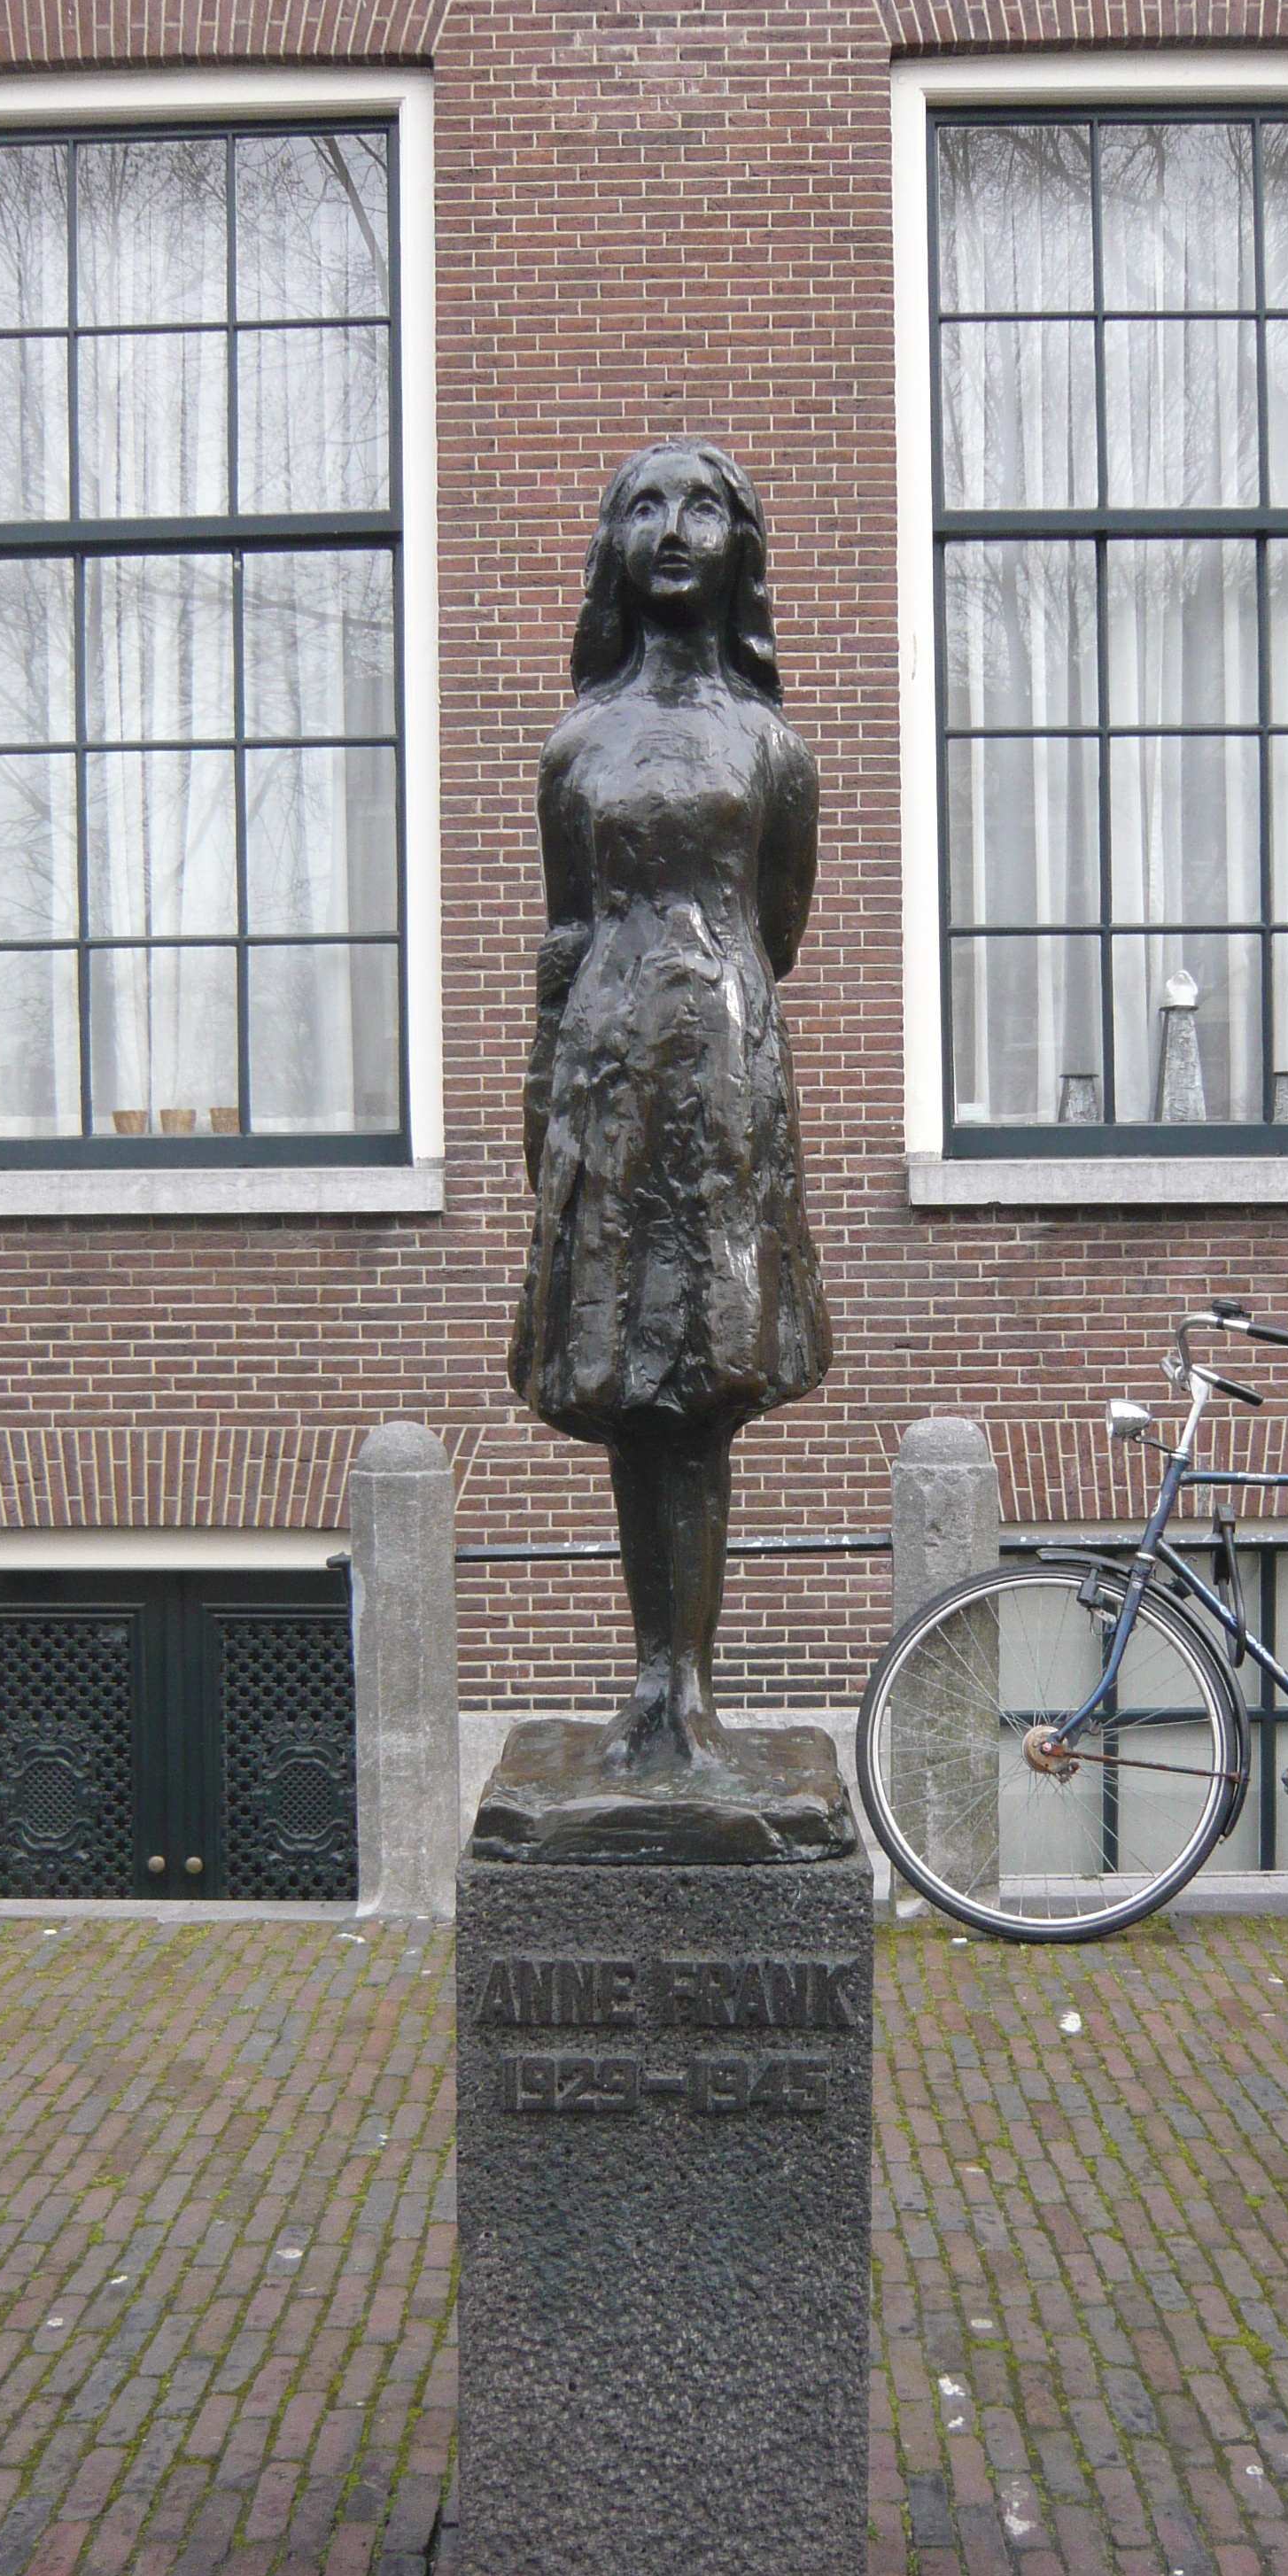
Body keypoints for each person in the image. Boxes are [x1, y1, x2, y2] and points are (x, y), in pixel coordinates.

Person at [510, 440, 834, 1776]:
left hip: (721, 1084)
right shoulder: (576, 743)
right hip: (604, 1079)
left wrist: (699, 1017)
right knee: (625, 1381)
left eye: (703, 505)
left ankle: (685, 1686)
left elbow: (779, 927)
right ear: (614, 548)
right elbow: (564, 932)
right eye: (645, 506)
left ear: (742, 546)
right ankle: (651, 1675)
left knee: (698, 1388)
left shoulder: (770, 745)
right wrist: (550, 1098)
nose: (674, 529)